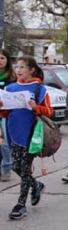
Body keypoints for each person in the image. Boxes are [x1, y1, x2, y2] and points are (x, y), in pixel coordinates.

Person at [0, 56, 53, 220]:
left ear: (31, 70)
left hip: (32, 133)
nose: (18, 70)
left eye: (22, 67)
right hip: (13, 132)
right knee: (16, 166)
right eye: (16, 67)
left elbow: (49, 111)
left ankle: (20, 204)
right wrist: (2, 108)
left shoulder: (39, 89)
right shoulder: (9, 88)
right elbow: (6, 113)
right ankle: (36, 185)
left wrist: (36, 107)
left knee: (24, 167)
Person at [0, 49, 16, 182]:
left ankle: (6, 167)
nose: (0, 61)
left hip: (7, 113)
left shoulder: (12, 77)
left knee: (4, 142)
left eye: (2, 58)